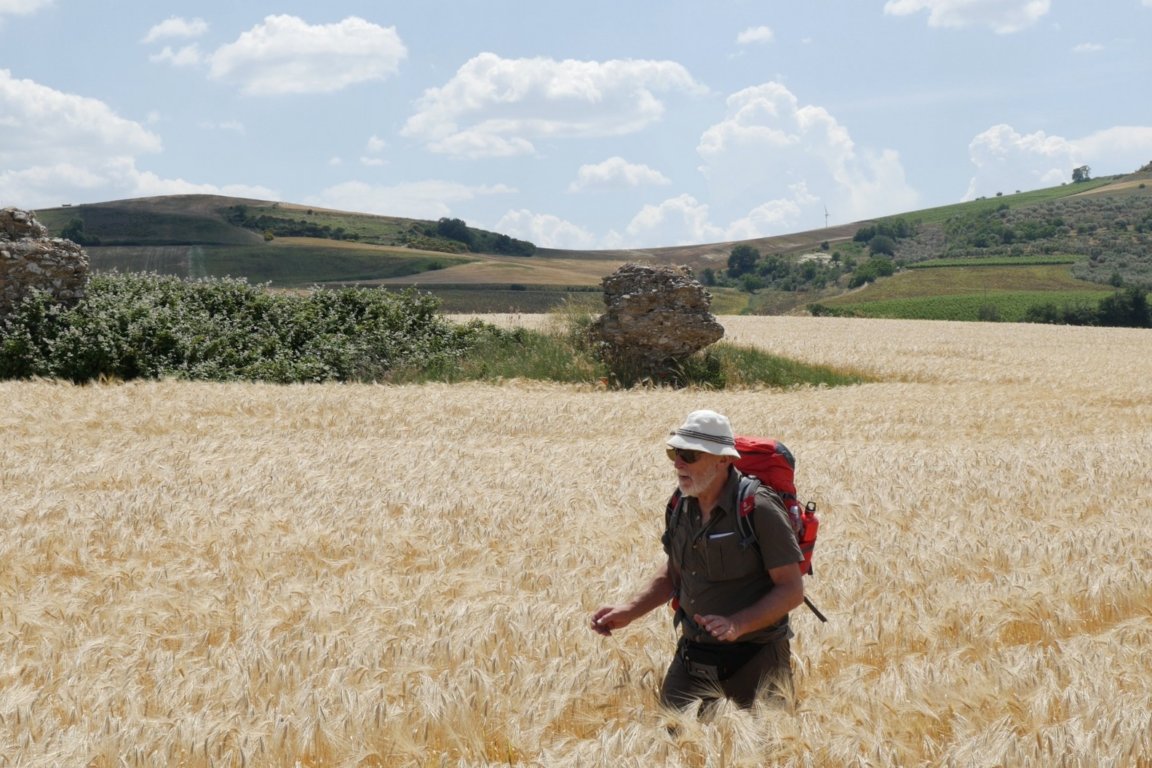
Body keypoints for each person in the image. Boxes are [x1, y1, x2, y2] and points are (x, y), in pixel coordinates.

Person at [590, 409, 805, 714]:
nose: (678, 463)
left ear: (723, 460)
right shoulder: (681, 504)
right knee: (670, 743)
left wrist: (737, 624)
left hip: (756, 658)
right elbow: (673, 571)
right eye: (675, 453)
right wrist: (630, 611)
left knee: (763, 753)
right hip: (694, 654)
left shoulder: (759, 508)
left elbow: (792, 590)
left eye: (690, 455)